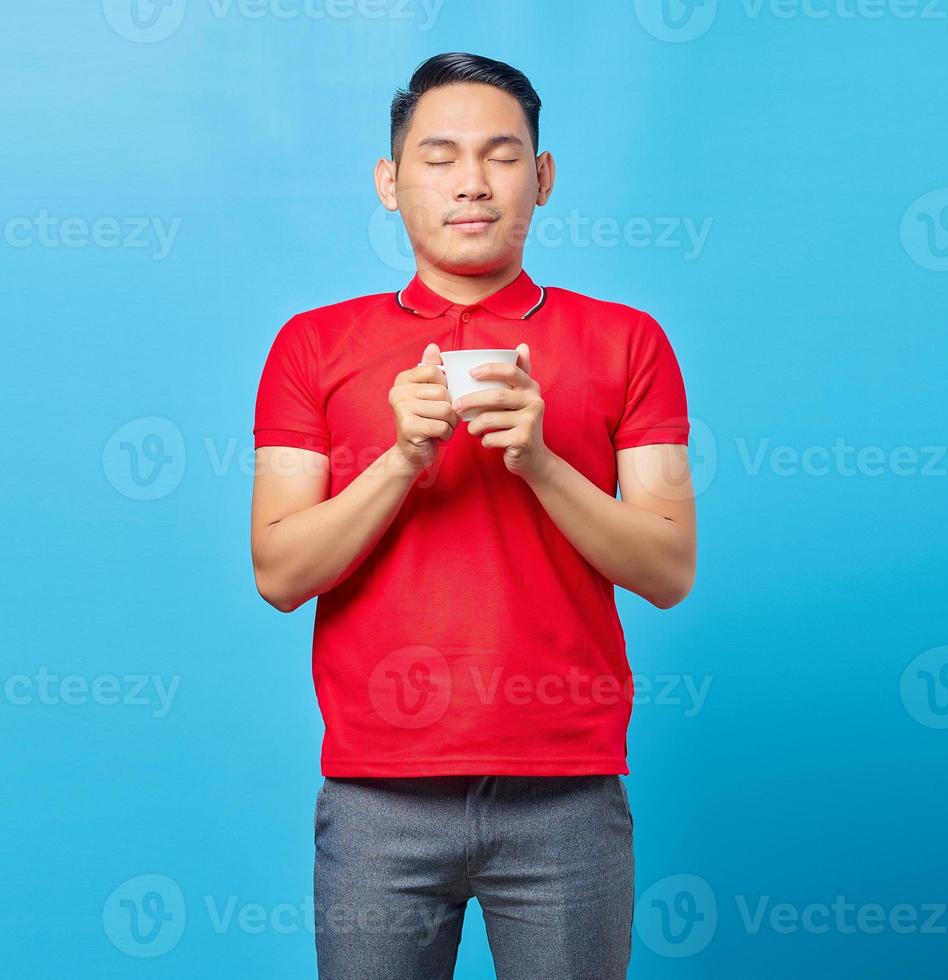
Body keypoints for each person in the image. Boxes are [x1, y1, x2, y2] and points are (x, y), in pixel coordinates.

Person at [250, 51, 697, 980]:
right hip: (378, 795)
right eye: (439, 156)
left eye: (500, 156)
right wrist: (402, 457)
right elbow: (281, 573)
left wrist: (539, 461)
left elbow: (666, 569)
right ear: (391, 182)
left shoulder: (628, 340)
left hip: (566, 793)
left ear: (542, 178)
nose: (471, 182)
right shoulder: (313, 345)